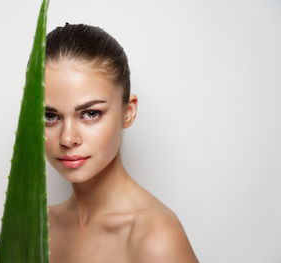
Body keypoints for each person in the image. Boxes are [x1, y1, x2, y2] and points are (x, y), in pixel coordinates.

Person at [44, 22, 199, 263]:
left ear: (128, 112)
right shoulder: (40, 227)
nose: (67, 138)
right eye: (50, 116)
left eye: (91, 113)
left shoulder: (155, 239)